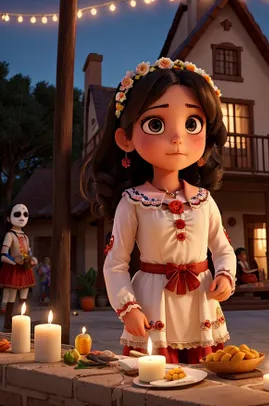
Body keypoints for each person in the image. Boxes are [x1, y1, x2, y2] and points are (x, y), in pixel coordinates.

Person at [81, 58, 236, 364]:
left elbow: (222, 248)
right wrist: (128, 307)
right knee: (153, 376)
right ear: (126, 138)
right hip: (153, 302)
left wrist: (226, 276)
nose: (177, 138)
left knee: (207, 376)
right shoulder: (134, 200)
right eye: (156, 124)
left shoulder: (204, 200)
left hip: (200, 303)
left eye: (192, 124)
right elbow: (116, 263)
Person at [0, 204, 37, 331]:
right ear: (9, 219)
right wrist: (14, 261)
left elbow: (29, 252)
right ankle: (8, 323)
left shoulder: (25, 236)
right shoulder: (10, 235)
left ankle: (23, 320)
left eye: (25, 214)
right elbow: (3, 255)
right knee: (11, 295)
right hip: (14, 269)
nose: (22, 217)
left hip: (25, 269)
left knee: (24, 295)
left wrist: (32, 259)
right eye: (17, 214)